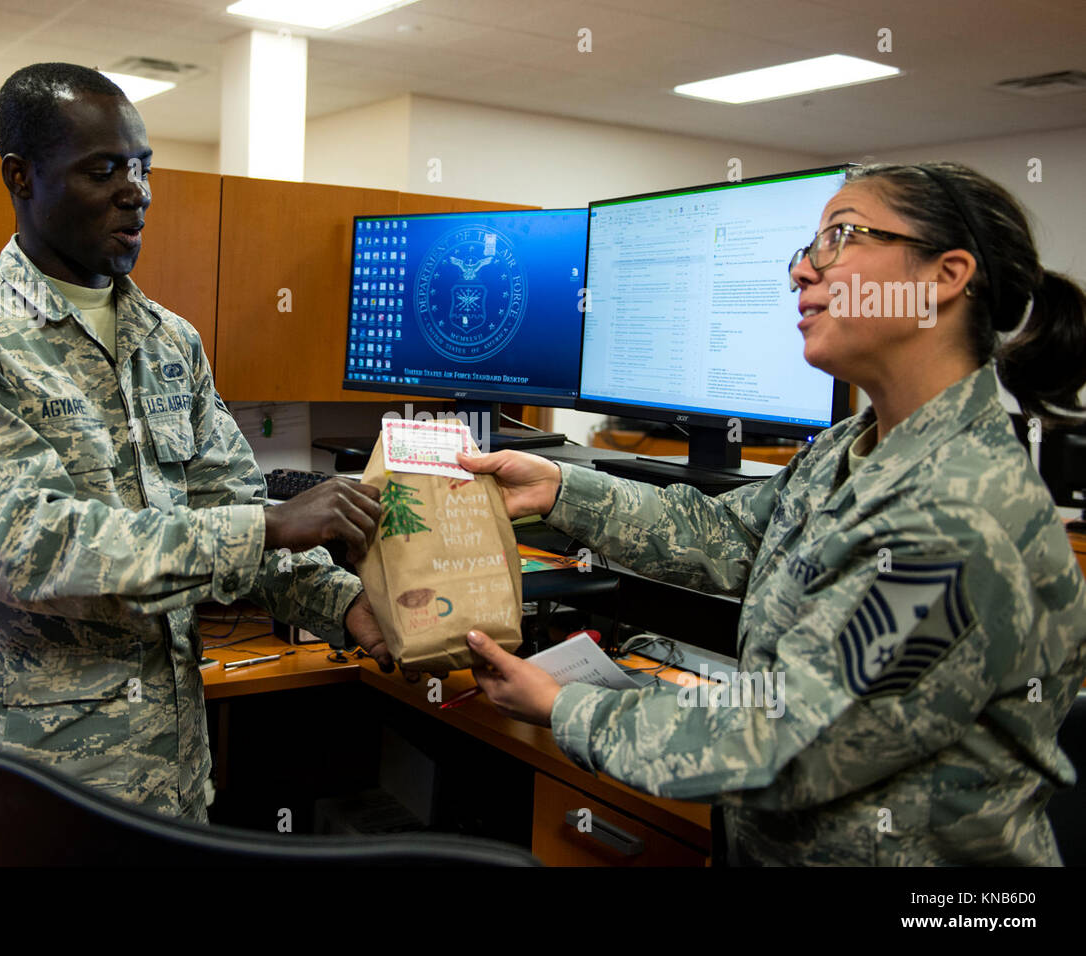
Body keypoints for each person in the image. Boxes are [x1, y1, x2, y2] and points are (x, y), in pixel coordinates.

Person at [457, 161, 1086, 865]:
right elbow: (730, 536)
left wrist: (561, 706)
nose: (801, 274)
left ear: (944, 276)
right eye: (806, 250)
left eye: (840, 238)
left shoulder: (961, 514)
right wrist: (557, 488)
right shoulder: (854, 445)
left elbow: (787, 742)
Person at [0, 63, 393, 867]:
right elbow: (30, 548)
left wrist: (352, 609)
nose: (138, 190)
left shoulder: (168, 341)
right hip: (33, 802)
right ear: (21, 176)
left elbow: (231, 504)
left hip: (174, 791)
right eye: (103, 169)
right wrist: (266, 523)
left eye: (143, 166)